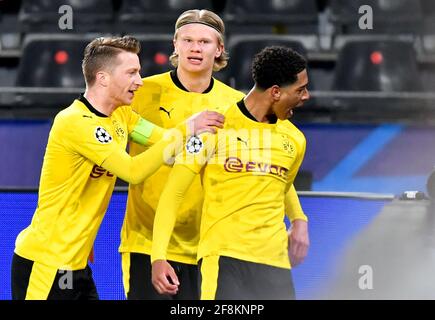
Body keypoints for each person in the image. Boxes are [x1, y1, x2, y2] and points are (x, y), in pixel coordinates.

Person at [10, 35, 224, 300]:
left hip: (77, 266)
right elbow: (133, 171)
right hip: (44, 265)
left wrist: (203, 141)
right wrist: (188, 127)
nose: (140, 81)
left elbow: (162, 141)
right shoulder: (76, 122)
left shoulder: (122, 115)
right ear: (103, 78)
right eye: (132, 72)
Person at [119, 9, 307, 300]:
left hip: (208, 247)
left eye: (205, 42)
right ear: (175, 45)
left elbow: (270, 164)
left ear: (219, 49)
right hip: (147, 241)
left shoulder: (235, 103)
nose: (195, 48)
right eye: (188, 40)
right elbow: (110, 158)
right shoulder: (140, 93)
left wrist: (298, 218)